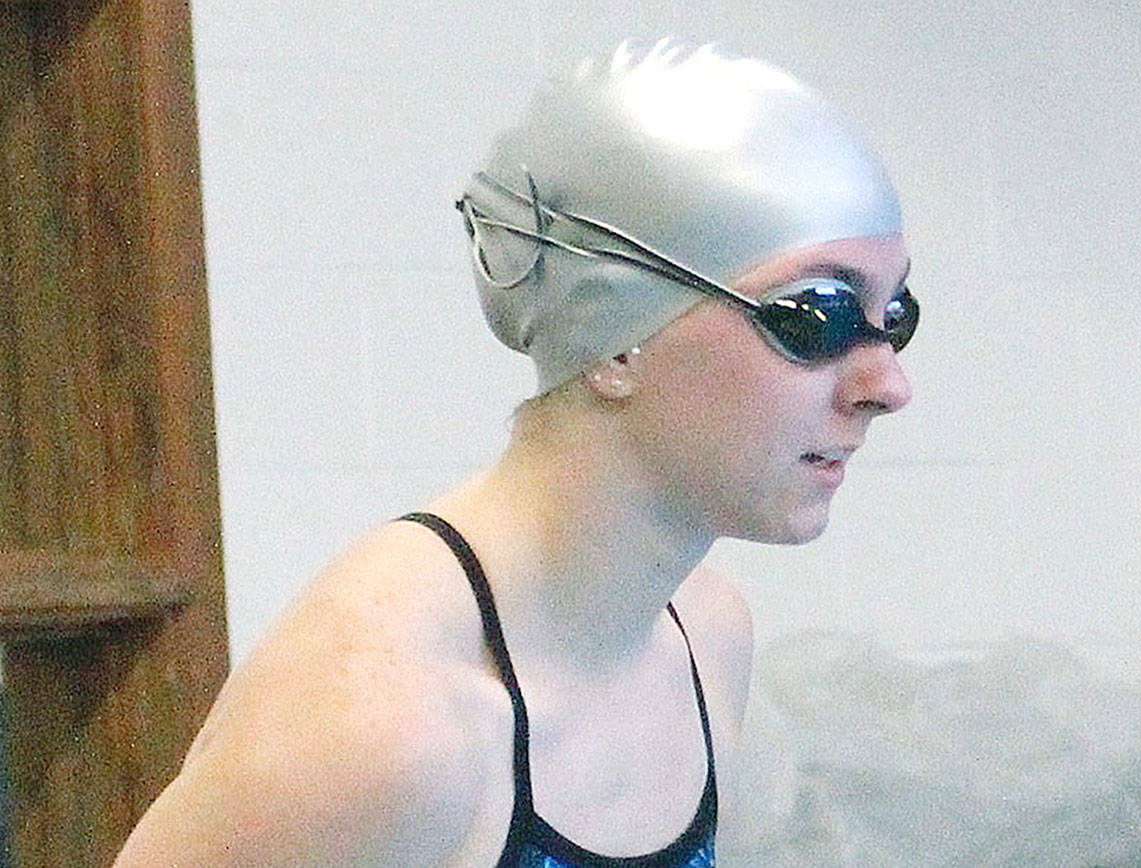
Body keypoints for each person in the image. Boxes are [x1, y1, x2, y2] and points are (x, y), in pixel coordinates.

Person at [113, 38, 915, 867]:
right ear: (611, 339)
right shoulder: (380, 727)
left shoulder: (706, 640)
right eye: (814, 315)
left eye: (895, 316)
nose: (888, 384)